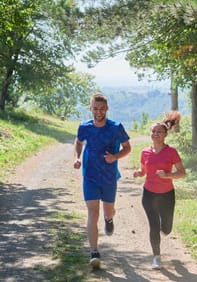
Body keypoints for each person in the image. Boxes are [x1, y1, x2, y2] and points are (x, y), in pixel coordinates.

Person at [73, 93, 132, 268]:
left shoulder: (115, 127)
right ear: (90, 109)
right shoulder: (84, 127)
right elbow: (78, 142)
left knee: (107, 211)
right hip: (90, 176)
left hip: (108, 177)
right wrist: (77, 157)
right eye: (95, 109)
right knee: (93, 212)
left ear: (106, 109)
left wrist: (115, 156)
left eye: (101, 109)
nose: (98, 112)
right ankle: (94, 252)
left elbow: (127, 147)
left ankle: (109, 219)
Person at [133, 120, 186, 269]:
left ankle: (163, 233)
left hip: (167, 194)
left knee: (167, 228)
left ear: (165, 135)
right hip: (149, 193)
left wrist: (167, 175)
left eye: (159, 132)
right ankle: (156, 256)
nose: (155, 134)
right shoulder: (145, 152)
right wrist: (138, 173)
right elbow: (143, 170)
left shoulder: (171, 152)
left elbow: (182, 173)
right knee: (154, 226)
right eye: (153, 131)